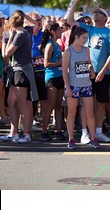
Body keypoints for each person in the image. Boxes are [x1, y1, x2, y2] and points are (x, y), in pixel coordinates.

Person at [68, 0, 110, 143]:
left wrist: (103, 71)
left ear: (105, 18)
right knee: (85, 102)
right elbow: (69, 21)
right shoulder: (87, 29)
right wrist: (75, 2)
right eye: (94, 13)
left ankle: (98, 131)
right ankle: (84, 132)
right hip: (85, 71)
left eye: (98, 13)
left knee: (101, 103)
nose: (95, 15)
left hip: (103, 72)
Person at [2, 10, 39, 143]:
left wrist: (10, 37)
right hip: (16, 70)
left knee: (24, 104)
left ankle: (26, 134)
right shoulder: (26, 31)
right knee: (12, 102)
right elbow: (35, 23)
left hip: (22, 71)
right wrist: (23, 15)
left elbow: (6, 53)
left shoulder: (21, 34)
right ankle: (14, 133)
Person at [62, 26, 100, 149]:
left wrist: (92, 70)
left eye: (86, 38)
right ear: (76, 37)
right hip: (73, 85)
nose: (85, 40)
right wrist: (67, 87)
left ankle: (93, 138)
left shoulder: (86, 50)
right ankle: (71, 139)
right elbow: (64, 71)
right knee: (72, 113)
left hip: (86, 85)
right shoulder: (69, 51)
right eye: (83, 38)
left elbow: (89, 63)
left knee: (90, 112)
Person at [39, 23, 64, 141]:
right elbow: (46, 64)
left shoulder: (57, 44)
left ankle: (59, 132)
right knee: (50, 105)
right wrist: (60, 63)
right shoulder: (50, 45)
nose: (61, 32)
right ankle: (44, 131)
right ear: (53, 31)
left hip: (60, 77)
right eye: (59, 30)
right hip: (52, 77)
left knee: (59, 106)